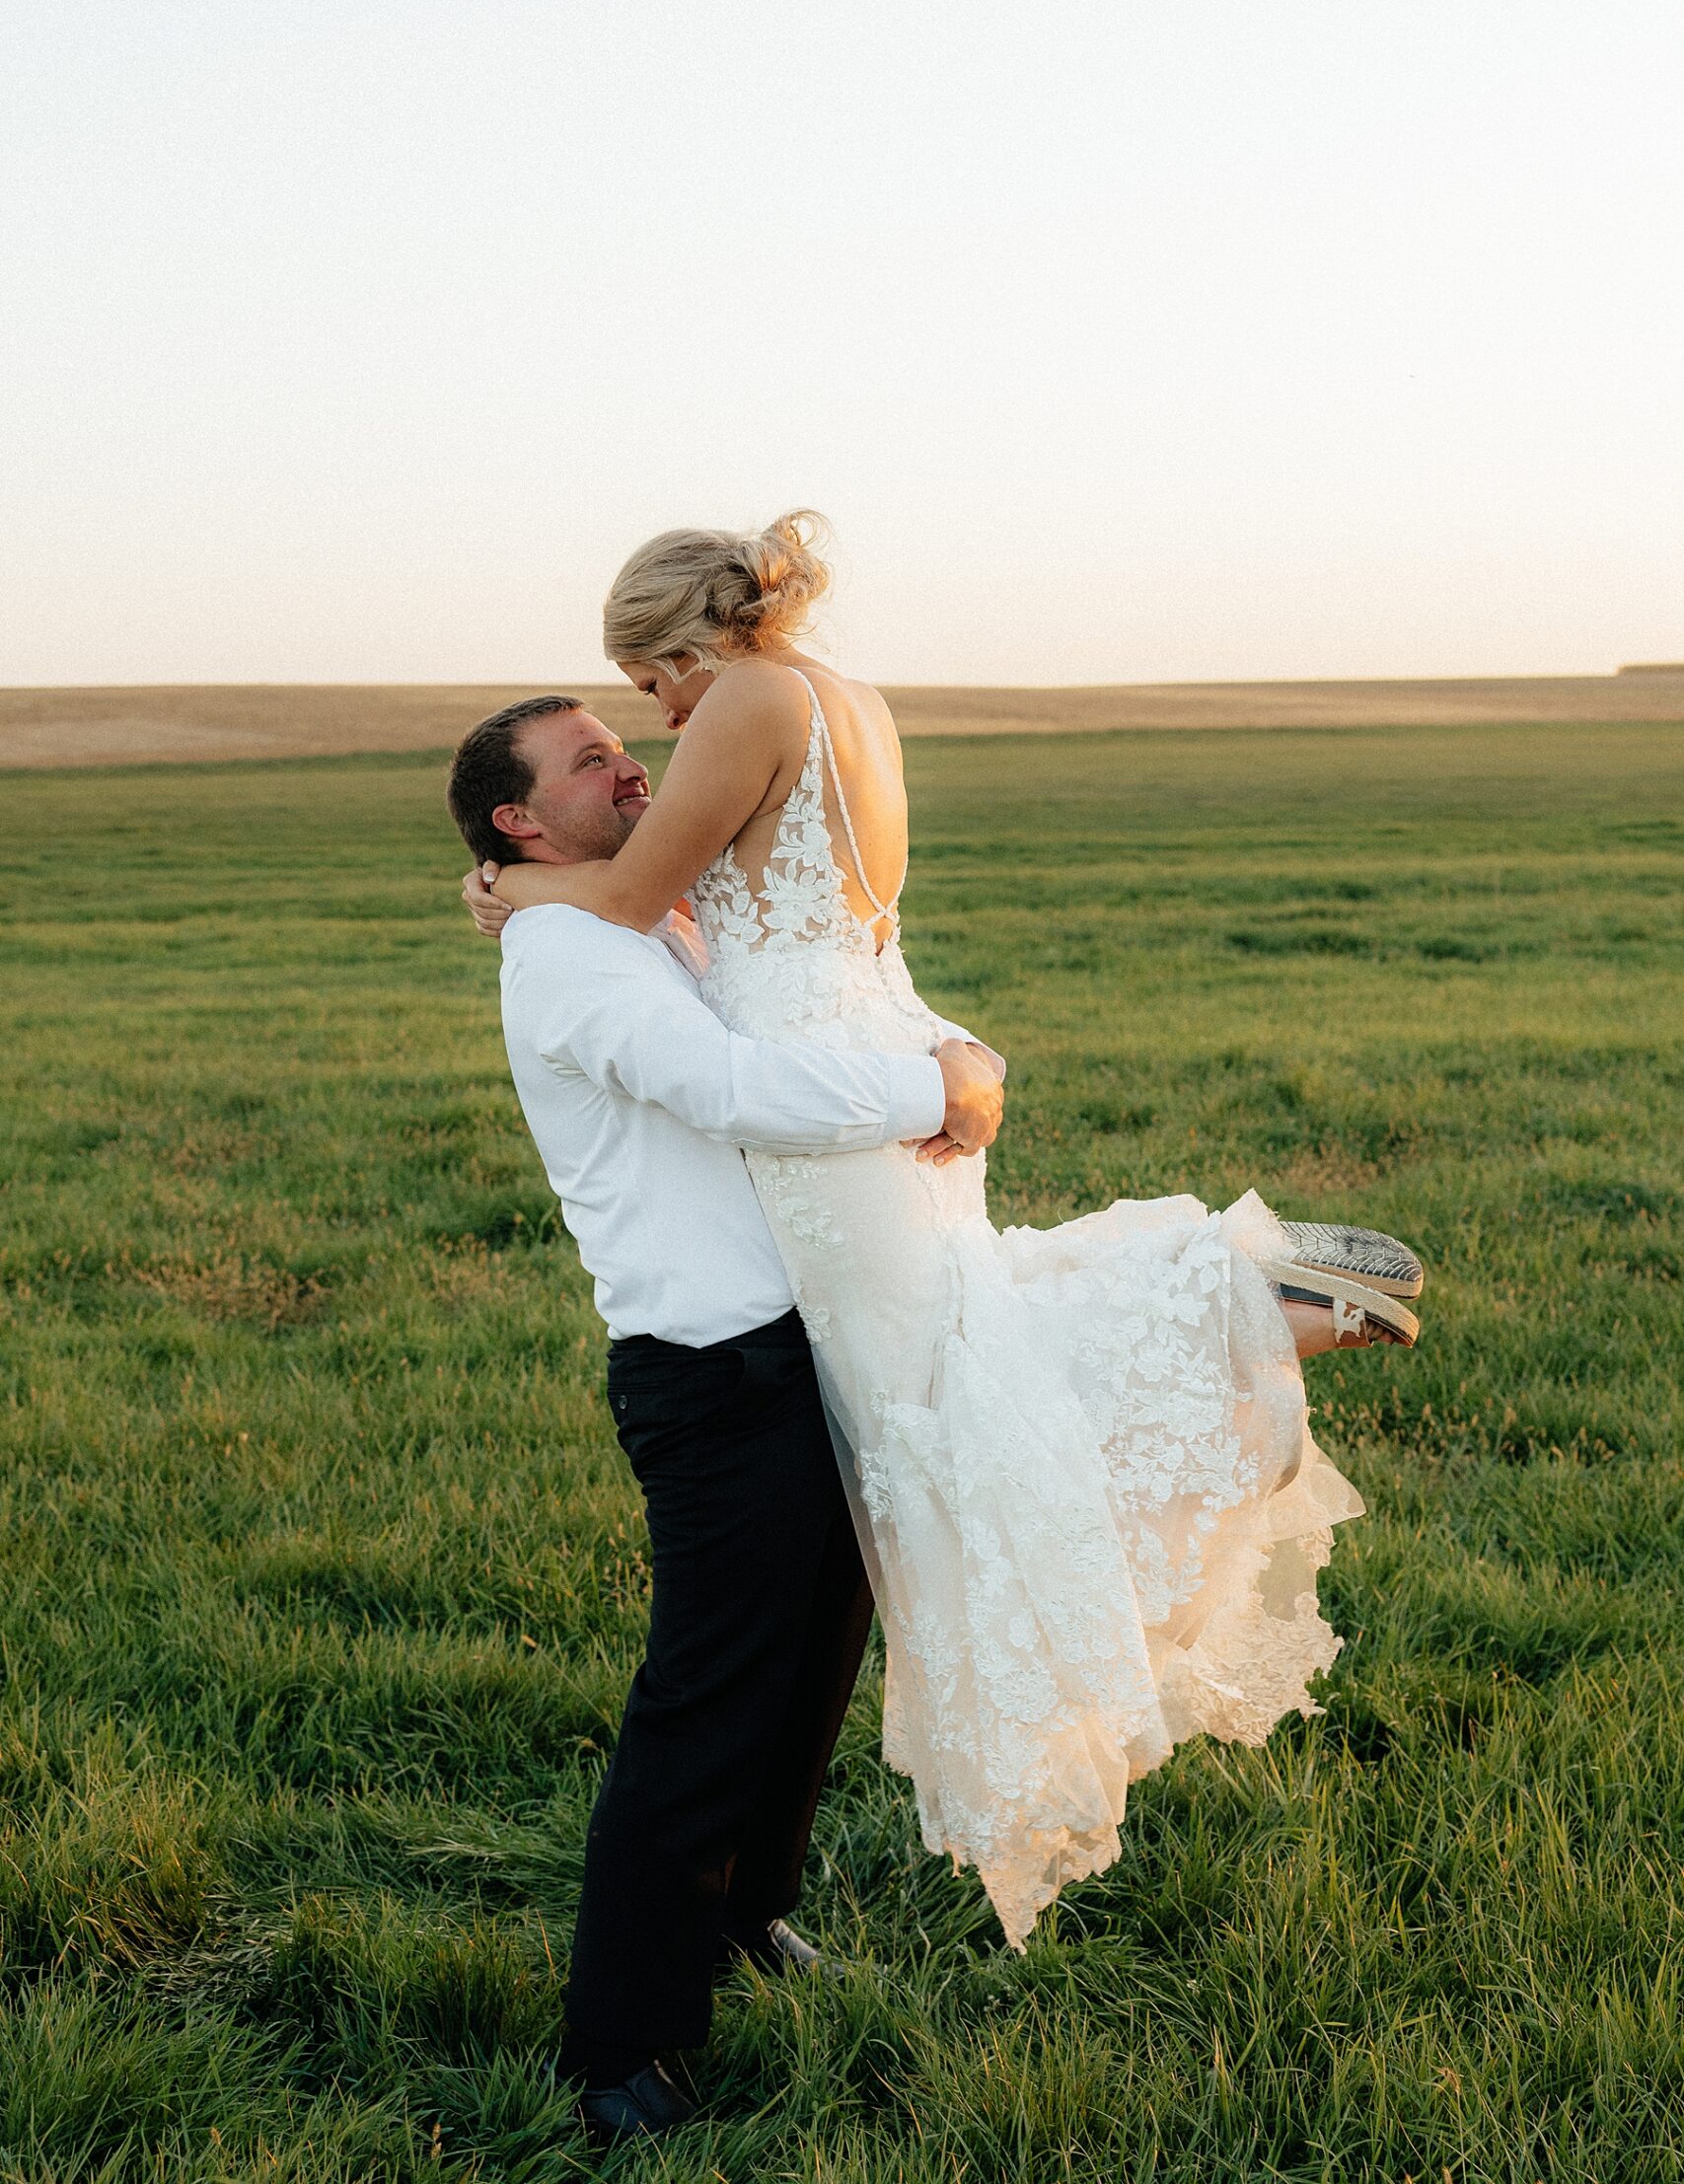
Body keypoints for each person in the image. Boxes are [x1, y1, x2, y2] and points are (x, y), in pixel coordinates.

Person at [464, 522, 1422, 1998]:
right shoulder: (841, 699)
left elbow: (634, 893)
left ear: (680, 650)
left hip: (845, 1114)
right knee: (961, 1354)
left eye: (643, 695)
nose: (655, 736)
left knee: (946, 1410)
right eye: (607, 744)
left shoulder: (745, 710)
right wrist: (944, 1058)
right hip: (874, 1059)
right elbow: (811, 943)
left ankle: (1234, 1307)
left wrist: (506, 889)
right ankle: (1233, 1299)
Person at [445, 692, 1007, 2146]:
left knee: (814, 1659)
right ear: (516, 824)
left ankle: (750, 1917)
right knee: (703, 1702)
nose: (629, 759)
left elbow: (811, 982)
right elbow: (731, 1087)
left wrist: (945, 1055)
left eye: (619, 738)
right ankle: (622, 2054)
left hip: (812, 1341)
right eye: (588, 760)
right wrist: (925, 1093)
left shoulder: (647, 911)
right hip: (712, 1375)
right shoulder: (567, 955)